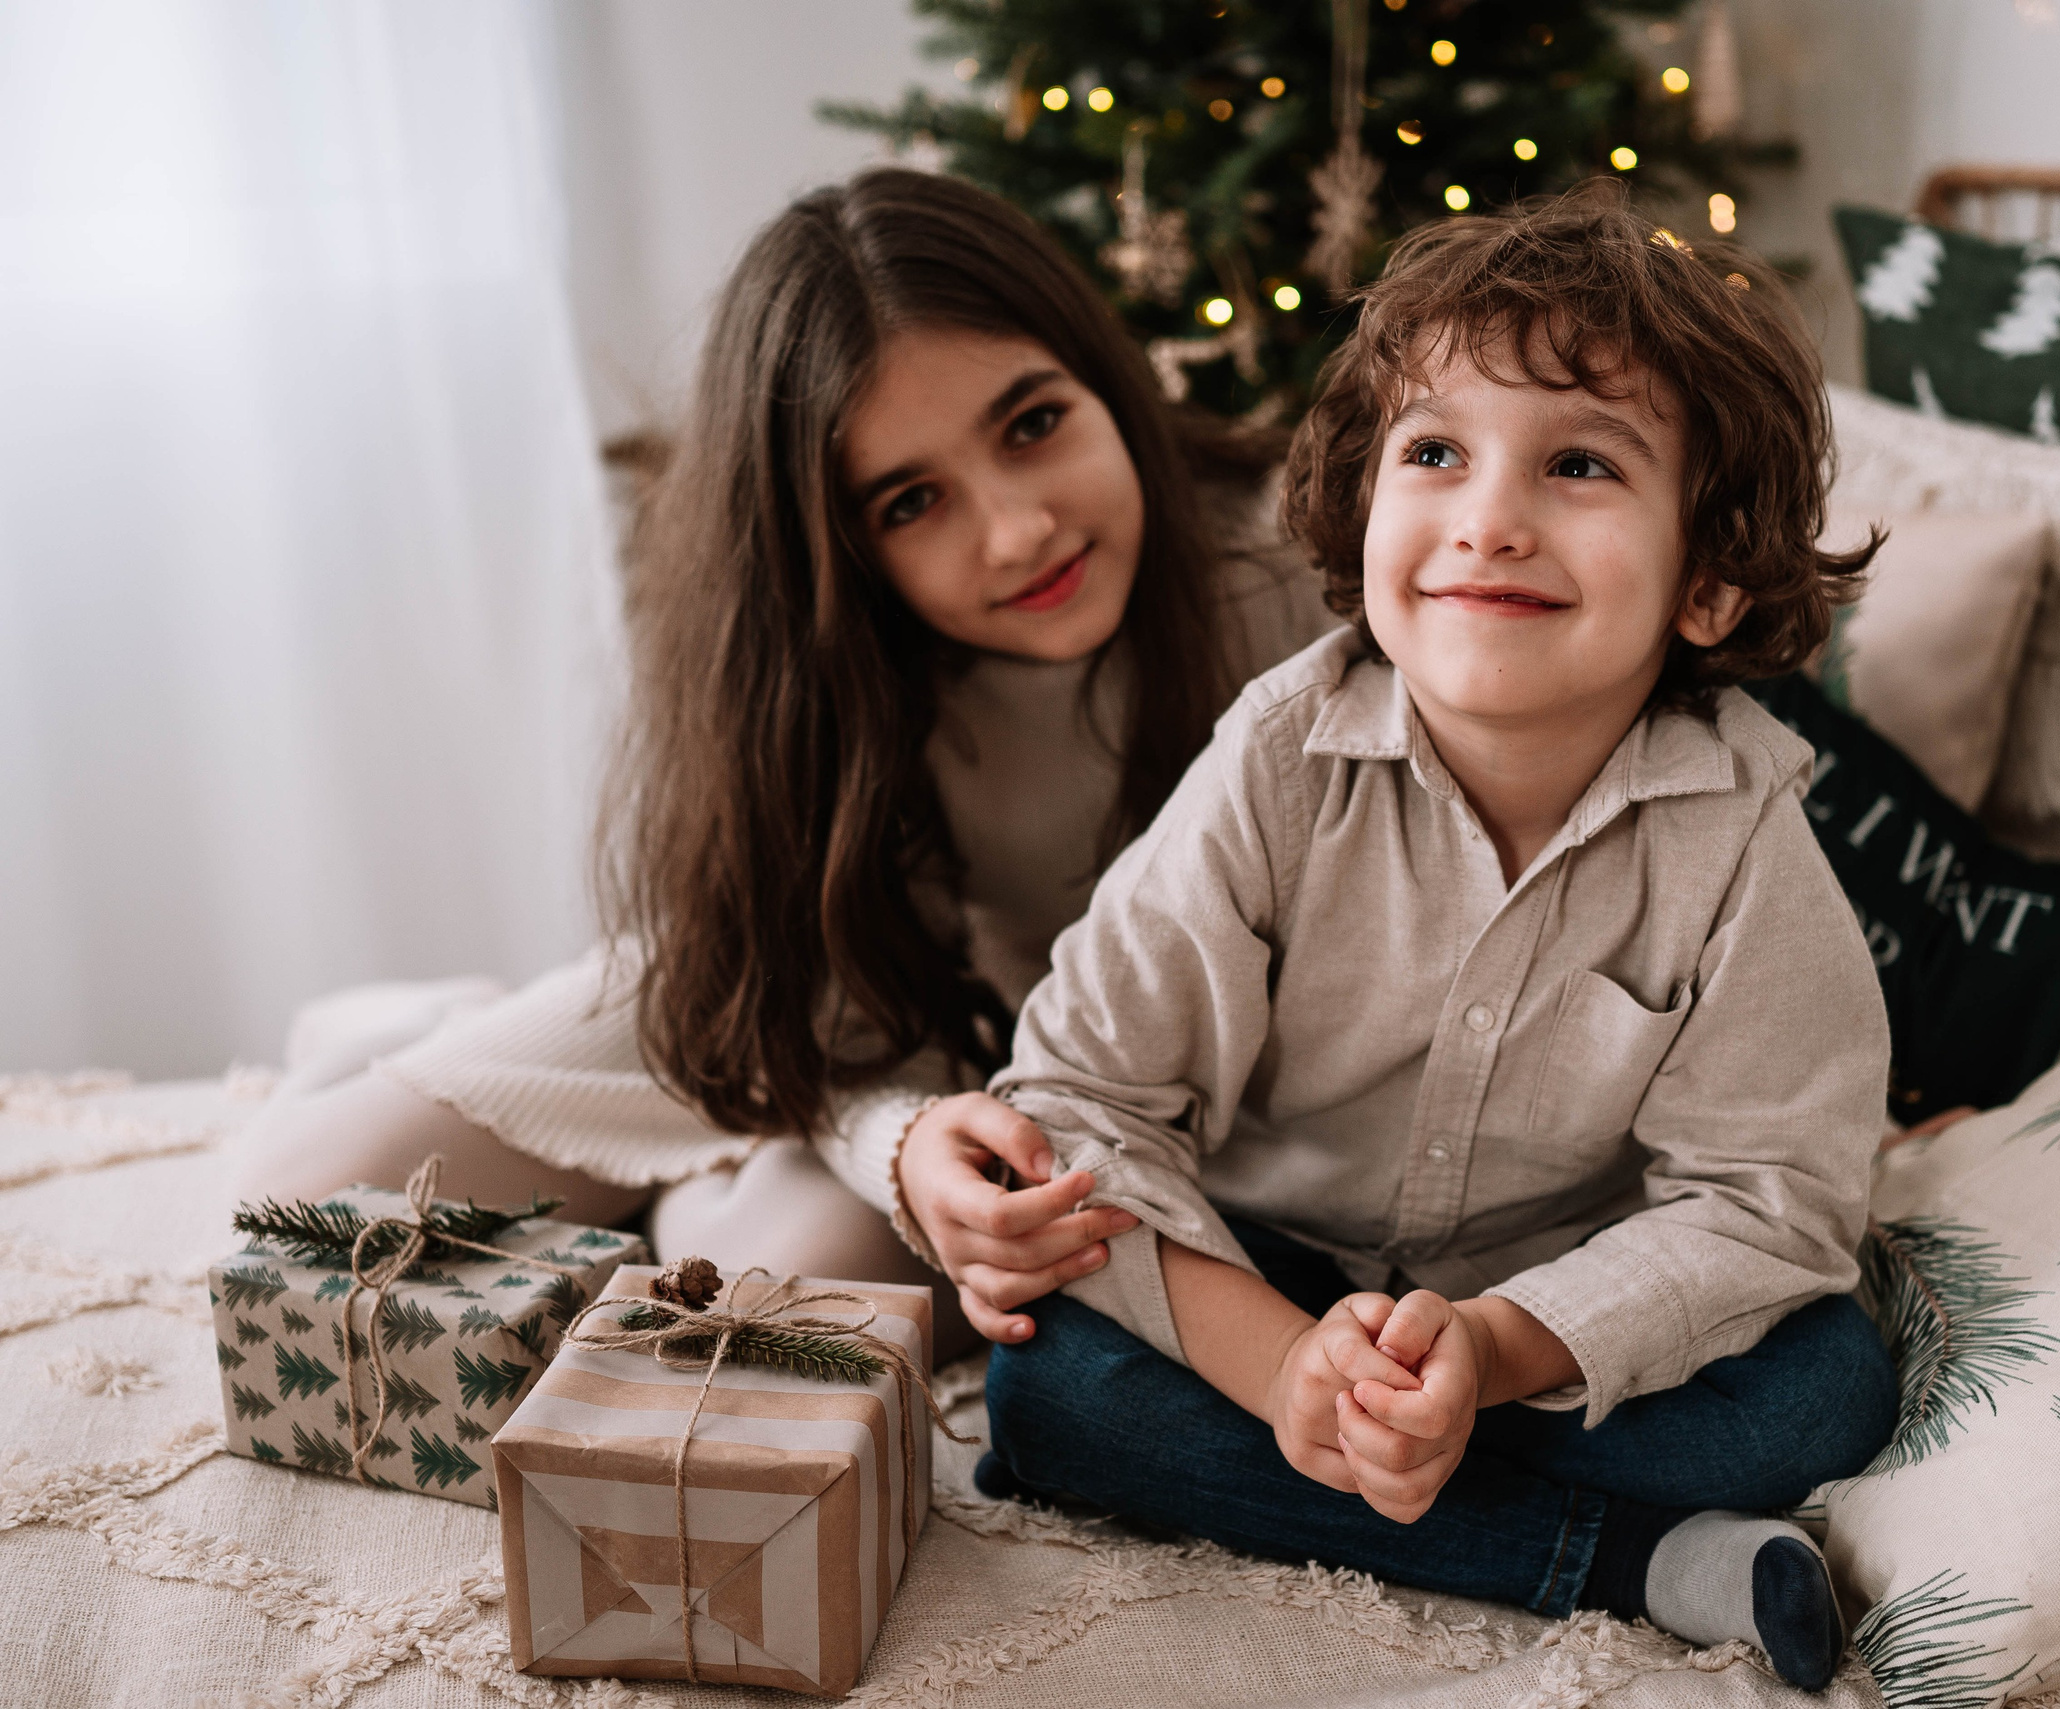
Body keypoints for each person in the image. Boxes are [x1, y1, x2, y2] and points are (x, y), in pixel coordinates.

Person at [950, 182, 1898, 1691]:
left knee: (1828, 1385)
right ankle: (1640, 1566)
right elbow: (1078, 1104)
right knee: (1048, 1378)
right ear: (1367, 502)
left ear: (1709, 577)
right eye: (1435, 451)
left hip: (1541, 1326)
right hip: (1262, 1276)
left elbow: (1766, 1202)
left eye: (1580, 463)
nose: (1490, 518)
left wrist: (1497, 1347)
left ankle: (1437, 1474)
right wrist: (1285, 1370)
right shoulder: (1278, 758)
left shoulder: (1738, 837)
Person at [228, 168, 1335, 1362]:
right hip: (820, 1013)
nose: (1016, 531)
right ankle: (445, 1023)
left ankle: (709, 1171)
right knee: (296, 1208)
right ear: (838, 544)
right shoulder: (833, 668)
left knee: (768, 1313)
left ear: (1105, 379)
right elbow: (823, 1008)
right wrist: (895, 1138)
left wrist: (912, 1147)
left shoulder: (1302, 568)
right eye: (913, 500)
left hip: (1012, 1067)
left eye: (1032, 424)